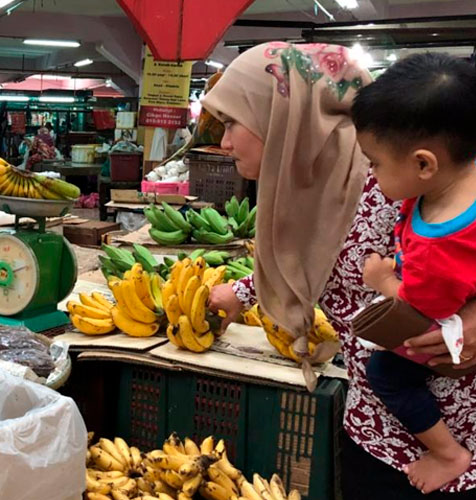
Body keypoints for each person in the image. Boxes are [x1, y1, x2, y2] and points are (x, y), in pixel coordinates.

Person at [202, 42, 476, 499]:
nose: (224, 142)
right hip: (372, 424)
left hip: (454, 429)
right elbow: (319, 258)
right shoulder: (306, 179)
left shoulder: (396, 171)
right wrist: (247, 292)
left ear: (285, 117)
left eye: (232, 121)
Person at [352, 52, 476, 494]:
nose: (372, 171)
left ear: (425, 164)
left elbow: (425, 307)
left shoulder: (437, 245)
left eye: (375, 162)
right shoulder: (448, 188)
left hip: (441, 335)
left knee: (385, 372)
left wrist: (383, 281)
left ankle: (447, 453)